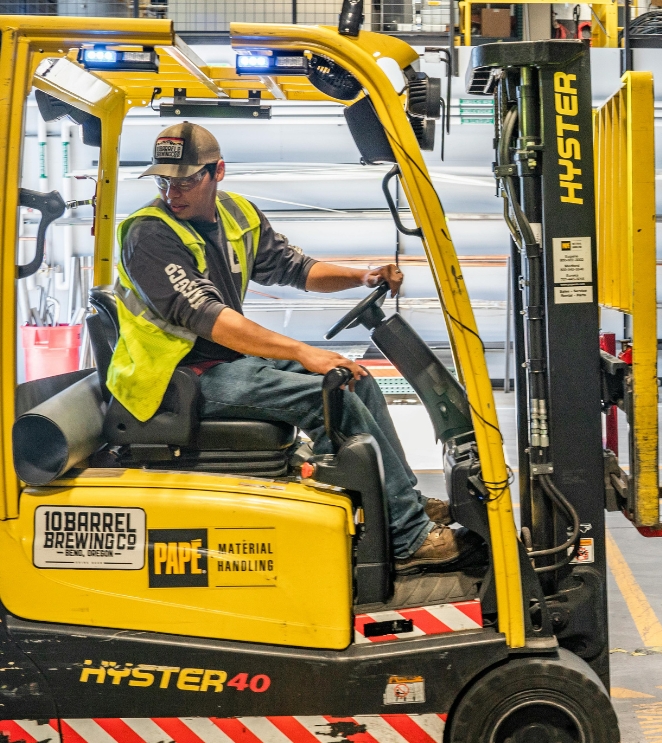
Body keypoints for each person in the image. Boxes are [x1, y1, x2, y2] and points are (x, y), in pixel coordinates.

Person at [108, 121, 469, 571]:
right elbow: (211, 320)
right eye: (164, 180)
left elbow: (296, 268)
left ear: (218, 172)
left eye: (185, 179)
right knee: (326, 397)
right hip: (175, 380)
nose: (172, 192)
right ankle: (407, 536)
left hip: (222, 363)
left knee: (357, 381)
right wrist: (302, 352)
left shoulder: (237, 214)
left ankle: (404, 503)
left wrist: (362, 276)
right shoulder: (149, 235)